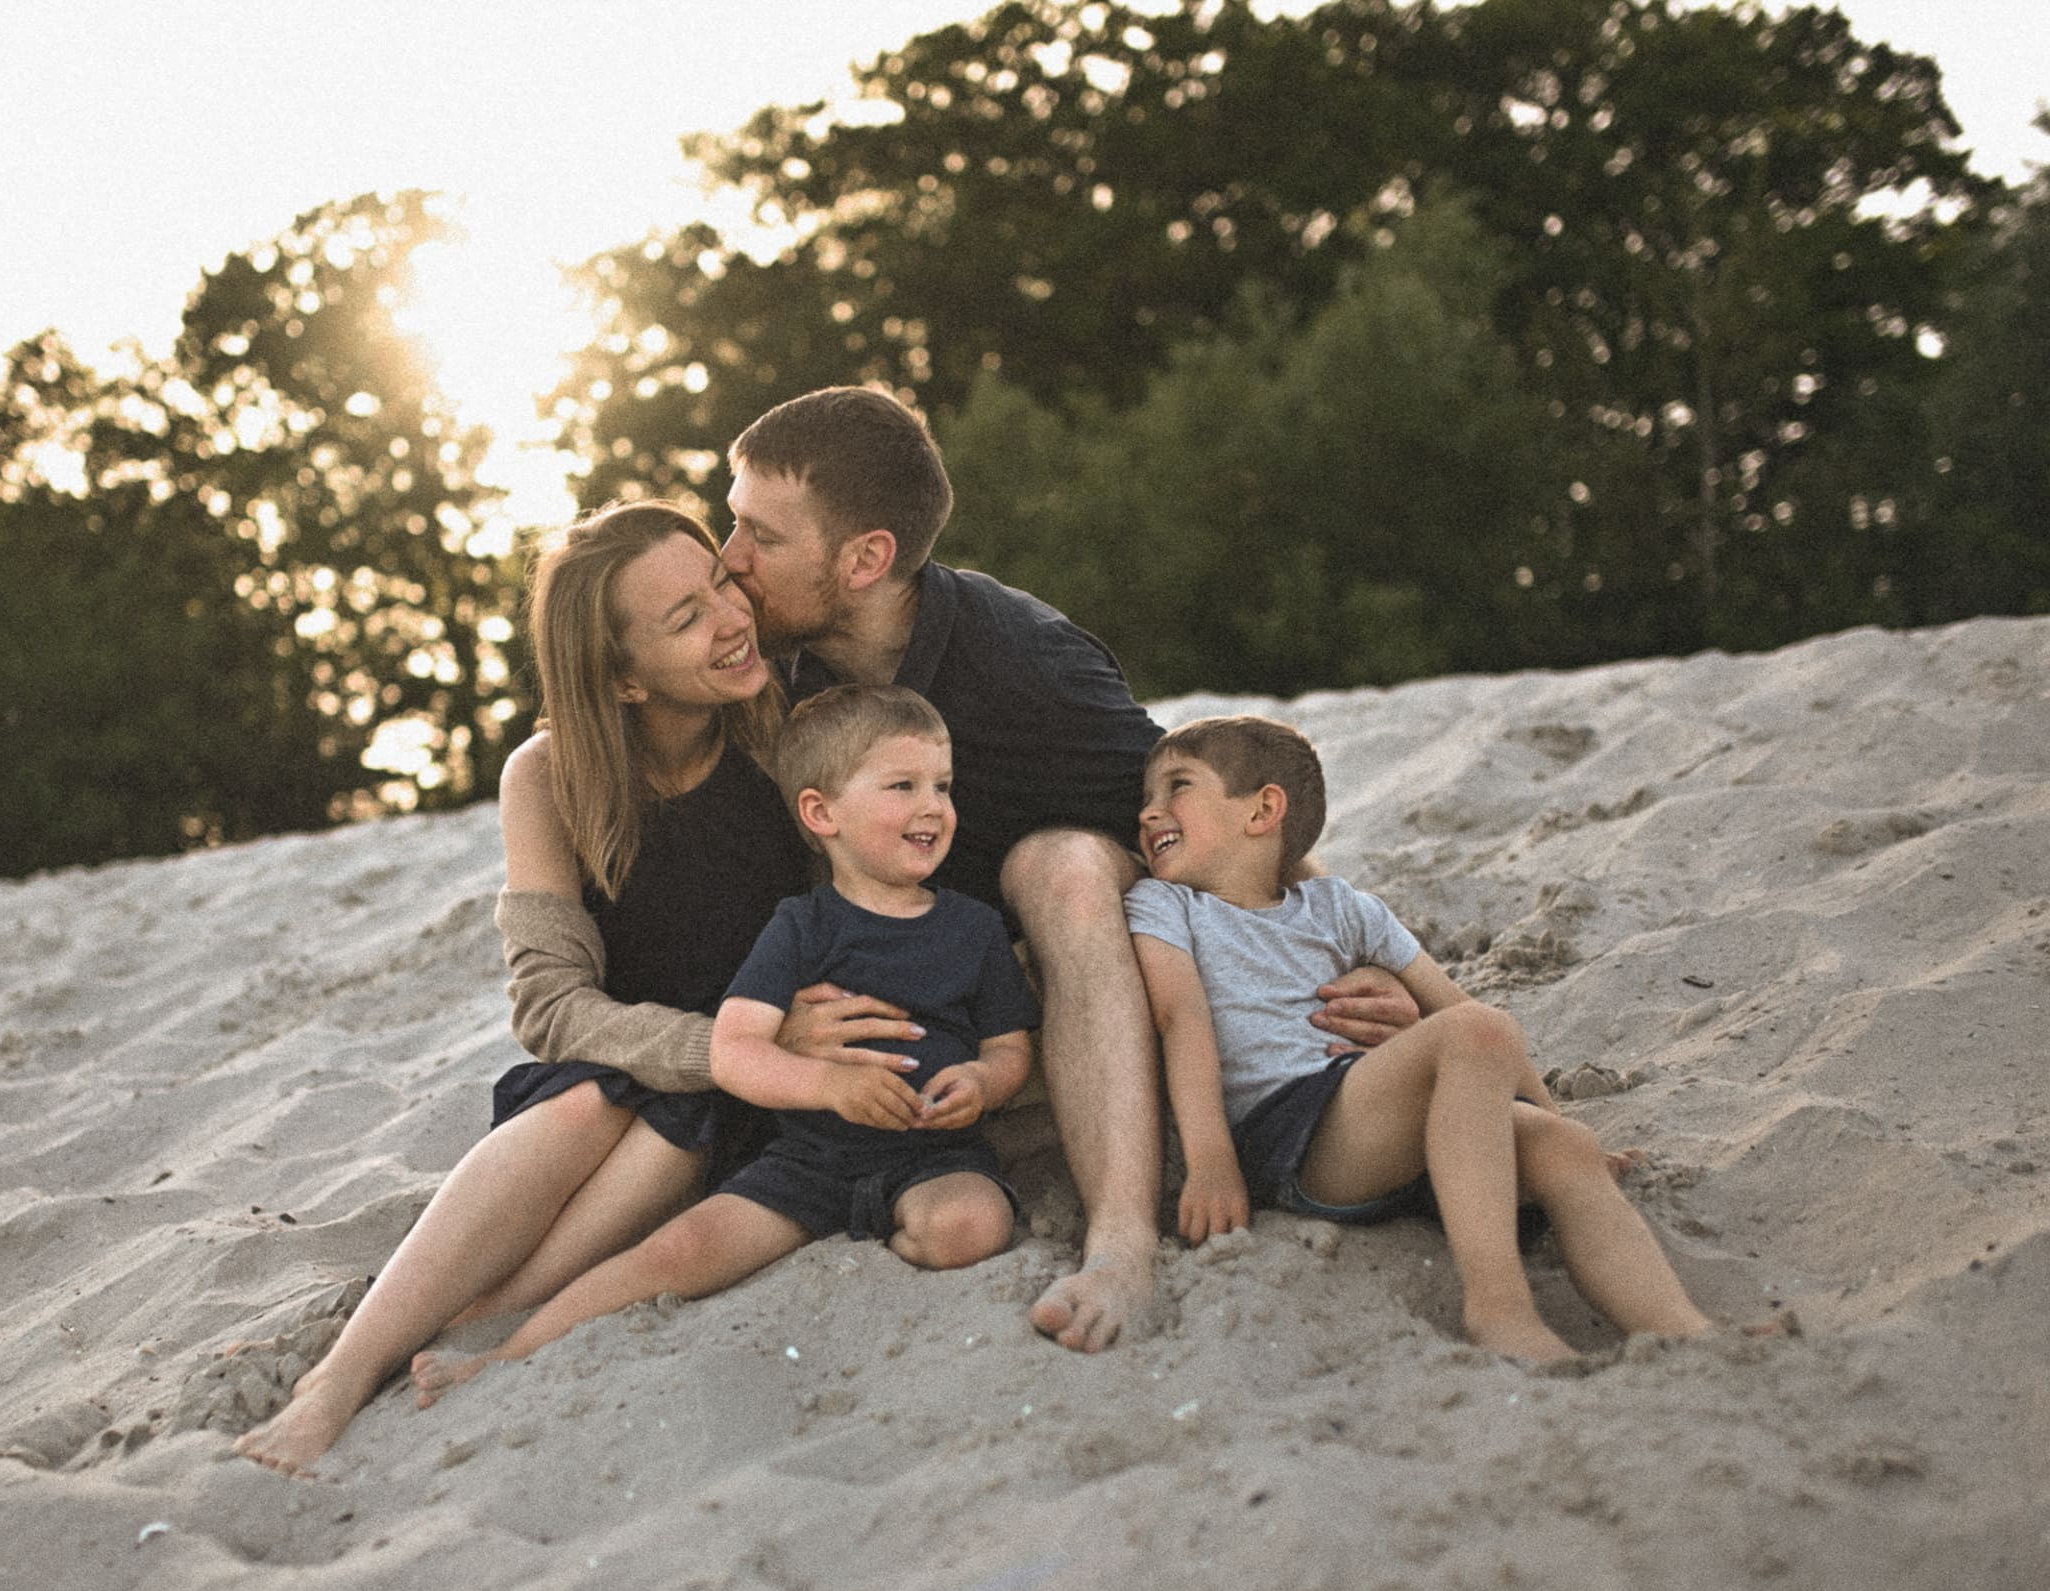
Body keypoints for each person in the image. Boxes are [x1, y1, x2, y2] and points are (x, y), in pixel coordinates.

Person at [713, 385, 1420, 1351]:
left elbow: (1212, 805)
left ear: (867, 558)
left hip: (1072, 978)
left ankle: (1122, 1244)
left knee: (1063, 866)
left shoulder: (1022, 662)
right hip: (917, 1018)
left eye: (761, 534)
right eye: (730, 521)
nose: (730, 557)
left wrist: (1338, 962)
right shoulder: (763, 669)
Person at [234, 501, 810, 1475]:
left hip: (759, 1088)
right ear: (623, 677)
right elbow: (549, 1006)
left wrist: (743, 1051)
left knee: (683, 1114)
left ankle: (486, 1314)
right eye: (685, 617)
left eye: (718, 580)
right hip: (628, 1074)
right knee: (595, 1096)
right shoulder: (548, 776)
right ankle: (337, 1377)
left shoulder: (786, 732)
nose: (730, 615)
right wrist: (699, 1047)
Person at [418, 685, 1035, 1389]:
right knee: (675, 1252)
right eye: (903, 786)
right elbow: (737, 1048)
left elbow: (1010, 1047)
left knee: (970, 1228)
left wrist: (984, 1083)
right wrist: (829, 1084)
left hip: (934, 1151)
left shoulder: (973, 927)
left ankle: (890, 1229)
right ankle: (503, 1357)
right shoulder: (799, 927)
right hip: (804, 1161)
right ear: (820, 812)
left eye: (942, 787)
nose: (933, 806)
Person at [1126, 715, 1713, 1363]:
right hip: (1293, 1131)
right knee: (1477, 1033)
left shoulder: (1343, 908)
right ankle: (1500, 1310)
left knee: (1565, 1145)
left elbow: (1451, 1003)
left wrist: (1546, 1116)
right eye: (1146, 799)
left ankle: (1684, 1332)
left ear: (1264, 809)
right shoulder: (1168, 907)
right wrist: (1212, 1162)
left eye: (1176, 786)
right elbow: (1181, 1019)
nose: (1151, 813)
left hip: (1400, 1129)